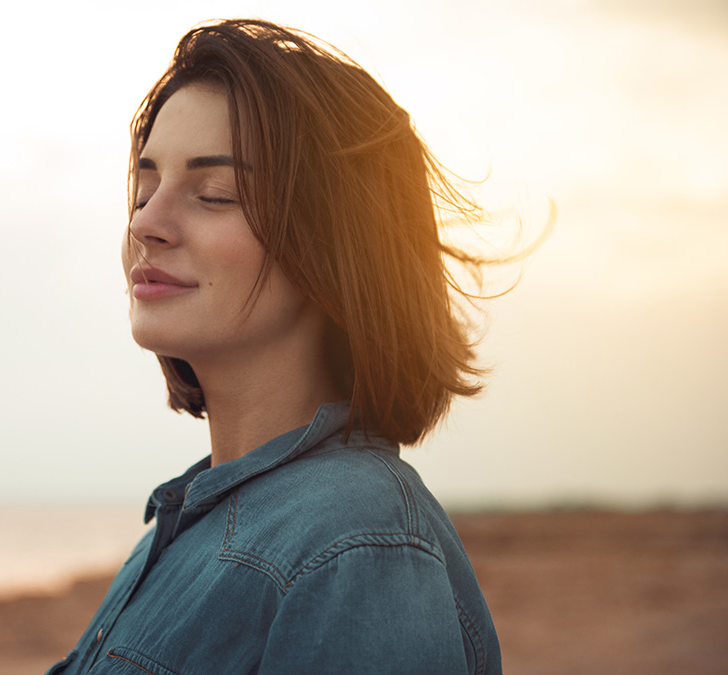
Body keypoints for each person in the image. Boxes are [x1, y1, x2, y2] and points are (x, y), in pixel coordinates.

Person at [49, 18, 502, 675]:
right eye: (144, 189)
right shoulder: (189, 525)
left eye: (213, 194)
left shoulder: (356, 545)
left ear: (335, 245)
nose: (145, 222)